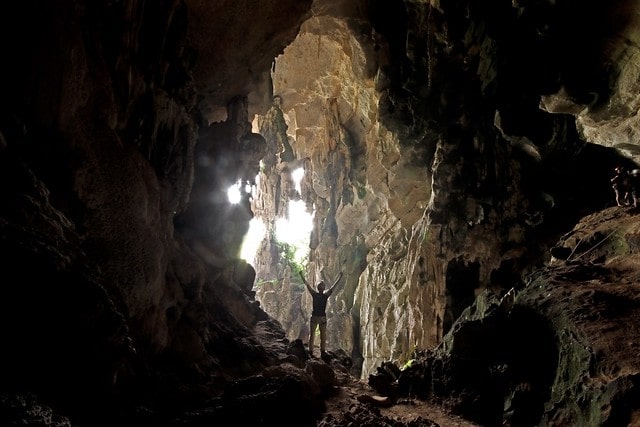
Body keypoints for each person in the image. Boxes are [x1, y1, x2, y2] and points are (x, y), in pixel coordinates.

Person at [299, 269, 343, 357]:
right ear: (323, 289)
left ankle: (310, 350)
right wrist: (340, 277)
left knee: (312, 335)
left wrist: (301, 275)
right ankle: (322, 351)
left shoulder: (314, 294)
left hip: (314, 316)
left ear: (318, 288)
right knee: (323, 335)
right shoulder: (326, 295)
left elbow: (307, 285)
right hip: (322, 317)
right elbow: (334, 287)